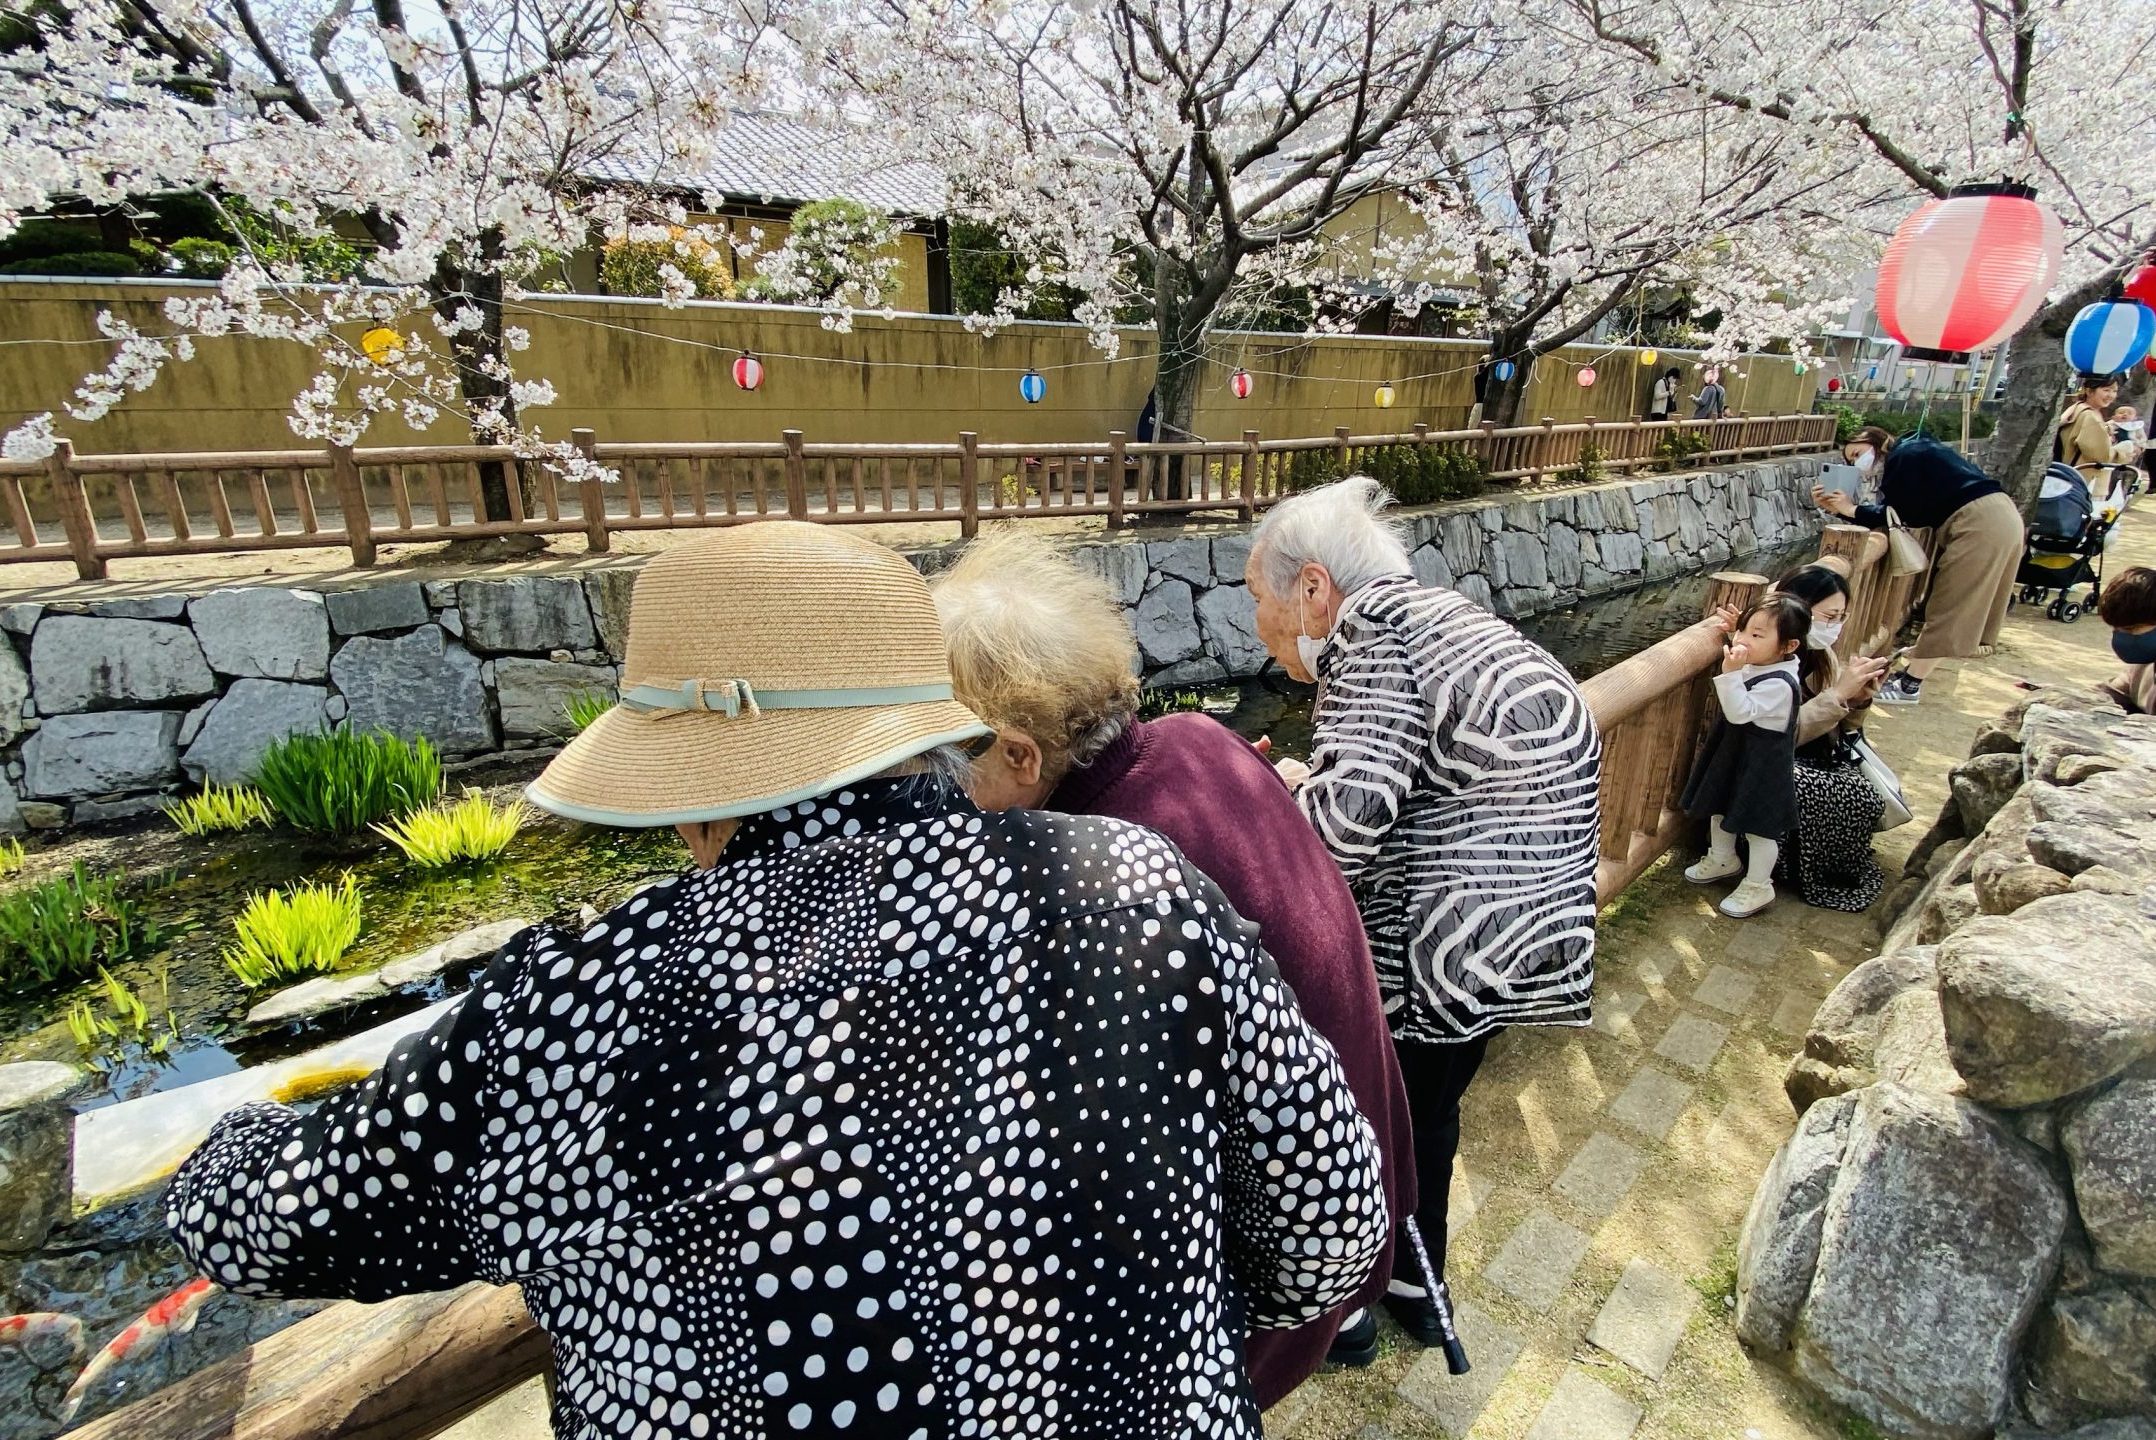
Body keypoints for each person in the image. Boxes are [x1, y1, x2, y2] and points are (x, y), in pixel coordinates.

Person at [165, 523, 1389, 1440]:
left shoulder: (577, 1004)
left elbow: (254, 1221)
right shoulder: (1136, 886)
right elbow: (1335, 1227)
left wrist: (214, 1144)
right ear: (919, 725)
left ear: (689, 801)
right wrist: (1162, 1323)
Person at [930, 528, 1417, 1397]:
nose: (930, 794)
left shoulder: (1106, 869)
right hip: (1364, 1151)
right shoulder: (1199, 737)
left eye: (938, 762)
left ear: (1020, 754)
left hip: (1288, 1242)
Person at [1242, 477, 1601, 1366]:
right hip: (1525, 933)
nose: (1260, 623)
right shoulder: (1442, 616)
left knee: (1368, 1113)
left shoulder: (1371, 638)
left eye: (1260, 599)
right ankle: (1414, 1280)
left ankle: (1354, 1307)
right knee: (1425, 1114)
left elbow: (1346, 825)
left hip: (1442, 946)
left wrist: (1272, 798)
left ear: (1314, 589)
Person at [1811, 428, 2023, 707]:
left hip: (1979, 525)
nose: (1857, 462)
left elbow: (1898, 515)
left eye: (1857, 453)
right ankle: (1909, 679)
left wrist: (1850, 510)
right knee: (1953, 604)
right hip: (1993, 519)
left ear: (1871, 441)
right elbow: (1902, 512)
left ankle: (1910, 686)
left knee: (1952, 607)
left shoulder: (1905, 457)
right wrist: (1843, 509)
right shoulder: (1916, 450)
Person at [1680, 594, 1810, 918]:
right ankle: (1723, 857)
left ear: (1789, 646)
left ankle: (1758, 884)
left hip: (1762, 765)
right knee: (1719, 807)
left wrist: (1729, 672)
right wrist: (1736, 634)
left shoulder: (1781, 683)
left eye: (1757, 635)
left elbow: (1740, 712)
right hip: (1736, 754)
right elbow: (1751, 658)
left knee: (1758, 827)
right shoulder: (1767, 661)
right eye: (1742, 630)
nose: (1742, 640)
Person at [1770, 565, 1892, 911]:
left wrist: (1859, 699)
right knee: (1820, 789)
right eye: (1829, 615)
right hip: (1775, 765)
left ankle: (1823, 866)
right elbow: (1776, 738)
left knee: (1865, 795)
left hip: (1812, 759)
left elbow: (1846, 732)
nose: (1835, 625)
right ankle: (1797, 869)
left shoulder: (1822, 657)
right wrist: (1837, 695)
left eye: (1841, 616)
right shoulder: (1768, 657)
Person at [2099, 565, 2156, 714]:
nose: (2121, 637)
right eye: (2116, 629)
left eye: (2131, 629)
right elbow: (2113, 693)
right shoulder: (2143, 667)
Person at [2056, 374, 2120, 472]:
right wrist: (2125, 450)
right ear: (2089, 391)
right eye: (2106, 390)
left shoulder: (2078, 407)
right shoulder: (2091, 417)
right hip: (2084, 479)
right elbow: (2103, 457)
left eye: (2114, 391)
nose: (2111, 395)